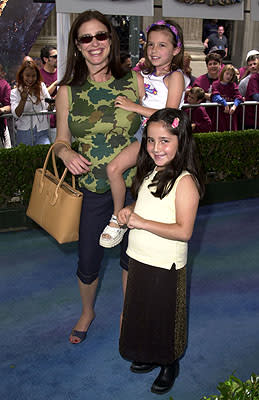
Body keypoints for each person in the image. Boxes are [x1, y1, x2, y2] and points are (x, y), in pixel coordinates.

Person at [54, 10, 143, 344]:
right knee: (89, 258)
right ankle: (87, 311)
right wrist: (64, 153)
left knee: (132, 255)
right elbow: (61, 138)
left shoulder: (134, 81)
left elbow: (158, 124)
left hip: (136, 184)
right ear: (77, 45)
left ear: (111, 39)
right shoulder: (68, 90)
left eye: (100, 36)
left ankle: (128, 312)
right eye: (85, 38)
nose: (94, 44)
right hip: (93, 187)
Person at [118, 108, 204, 395]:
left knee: (166, 318)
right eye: (151, 140)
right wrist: (129, 211)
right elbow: (144, 206)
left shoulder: (185, 182)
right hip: (139, 257)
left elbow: (184, 231)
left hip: (166, 264)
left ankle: (169, 362)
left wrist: (140, 222)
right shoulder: (150, 171)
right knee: (144, 312)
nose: (156, 148)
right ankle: (152, 355)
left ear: (181, 141)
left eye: (165, 140)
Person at [99, 19, 185, 248]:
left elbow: (170, 113)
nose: (154, 50)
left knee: (157, 189)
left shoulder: (175, 77)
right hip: (143, 136)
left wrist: (134, 107)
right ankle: (118, 217)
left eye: (162, 45)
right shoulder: (143, 75)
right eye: (150, 44)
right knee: (113, 168)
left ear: (176, 50)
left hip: (167, 141)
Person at [10, 60, 51, 145]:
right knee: (25, 158)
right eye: (27, 76)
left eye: (33, 76)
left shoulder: (42, 87)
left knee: (45, 156)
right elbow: (16, 114)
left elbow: (48, 106)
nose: (31, 79)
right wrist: (23, 100)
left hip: (42, 130)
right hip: (24, 133)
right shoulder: (15, 92)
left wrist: (52, 105)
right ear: (22, 75)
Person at [192, 52, 222, 130]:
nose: (213, 66)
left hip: (221, 117)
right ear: (207, 66)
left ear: (220, 65)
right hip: (203, 117)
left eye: (215, 63)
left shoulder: (225, 80)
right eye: (210, 64)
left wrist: (204, 94)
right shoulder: (199, 81)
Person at [211, 64, 242, 131]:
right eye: (227, 74)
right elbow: (215, 95)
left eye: (231, 75)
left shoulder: (233, 85)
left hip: (231, 114)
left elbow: (239, 96)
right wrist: (224, 103)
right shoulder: (215, 84)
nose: (228, 76)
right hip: (219, 114)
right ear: (223, 73)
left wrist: (234, 106)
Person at [0, 64, 12, 148]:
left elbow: (9, 106)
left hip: (1, 127)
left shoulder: (4, 85)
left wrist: (1, 110)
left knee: (6, 153)